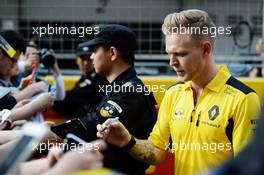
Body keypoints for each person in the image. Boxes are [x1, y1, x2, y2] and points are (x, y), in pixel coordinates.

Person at [96, 10, 261, 175]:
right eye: (169, 53)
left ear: (205, 49)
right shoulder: (173, 93)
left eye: (180, 54)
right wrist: (126, 140)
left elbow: (248, 169)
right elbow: (157, 151)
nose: (172, 62)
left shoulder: (243, 99)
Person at [56, 24, 157, 174]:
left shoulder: (130, 92)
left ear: (112, 53)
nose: (91, 57)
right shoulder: (117, 87)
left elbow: (90, 129)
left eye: (95, 51)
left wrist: (52, 134)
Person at [52, 44, 107, 117]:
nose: (86, 63)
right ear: (76, 60)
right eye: (83, 59)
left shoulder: (100, 77)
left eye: (89, 59)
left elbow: (74, 95)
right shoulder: (83, 79)